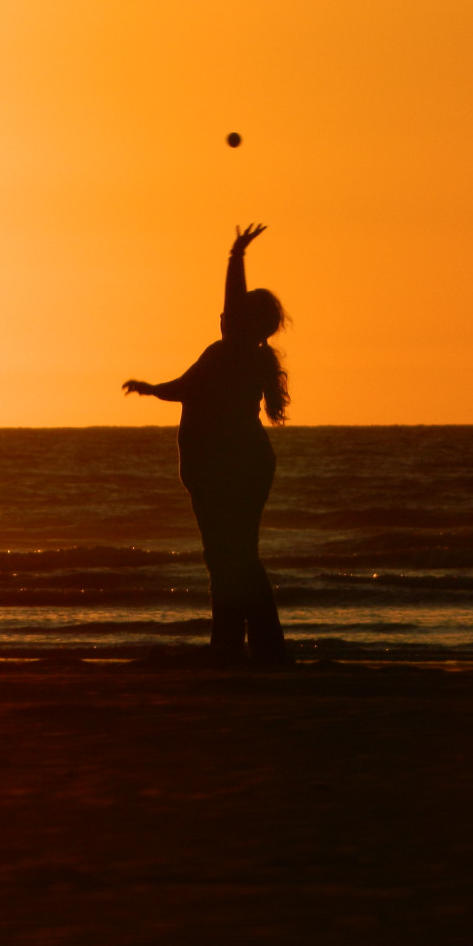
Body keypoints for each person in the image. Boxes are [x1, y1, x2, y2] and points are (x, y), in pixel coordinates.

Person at [124, 224, 292, 664]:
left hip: (228, 468)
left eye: (233, 314)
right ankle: (239, 647)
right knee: (231, 557)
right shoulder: (238, 355)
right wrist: (150, 389)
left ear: (244, 321)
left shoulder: (233, 351)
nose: (223, 318)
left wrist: (235, 257)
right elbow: (186, 387)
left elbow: (186, 385)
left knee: (230, 557)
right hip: (236, 466)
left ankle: (252, 648)